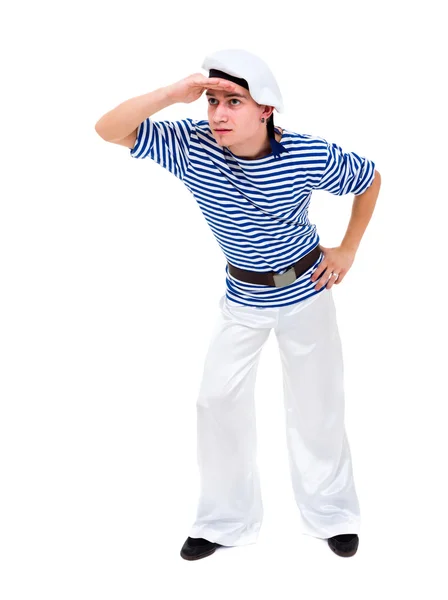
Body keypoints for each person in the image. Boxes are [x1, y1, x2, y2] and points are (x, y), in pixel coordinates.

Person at [95, 48, 381, 561]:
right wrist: (169, 94)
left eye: (234, 102)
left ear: (266, 110)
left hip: (306, 292)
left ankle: (332, 515)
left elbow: (369, 178)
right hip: (241, 297)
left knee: (317, 408)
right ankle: (226, 522)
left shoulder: (306, 155)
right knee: (215, 401)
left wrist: (349, 248)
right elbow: (108, 129)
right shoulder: (190, 145)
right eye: (211, 101)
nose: (218, 114)